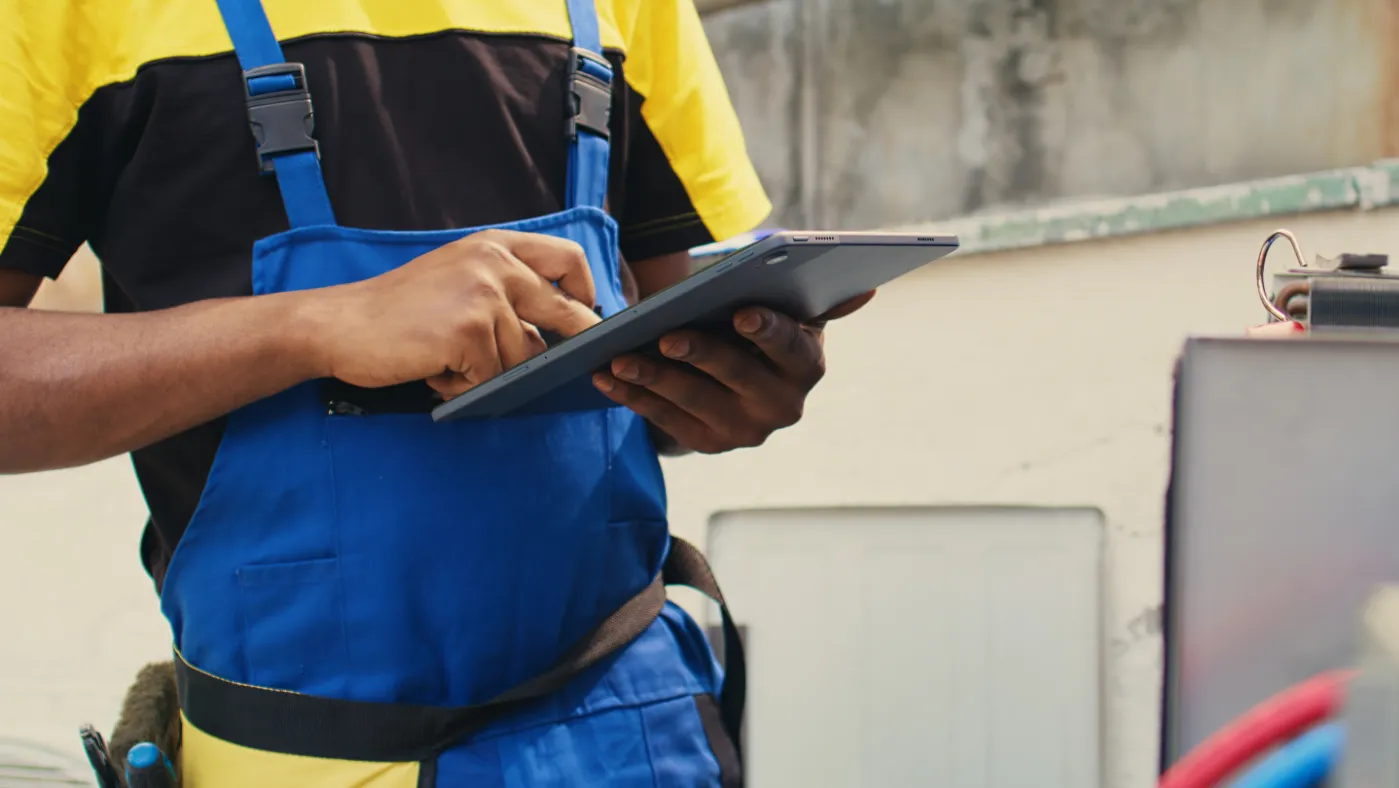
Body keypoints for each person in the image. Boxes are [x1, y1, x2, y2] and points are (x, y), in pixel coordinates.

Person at [0, 1, 871, 785]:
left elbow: (666, 327)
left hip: (633, 738)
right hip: (299, 759)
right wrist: (316, 326)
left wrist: (727, 382)